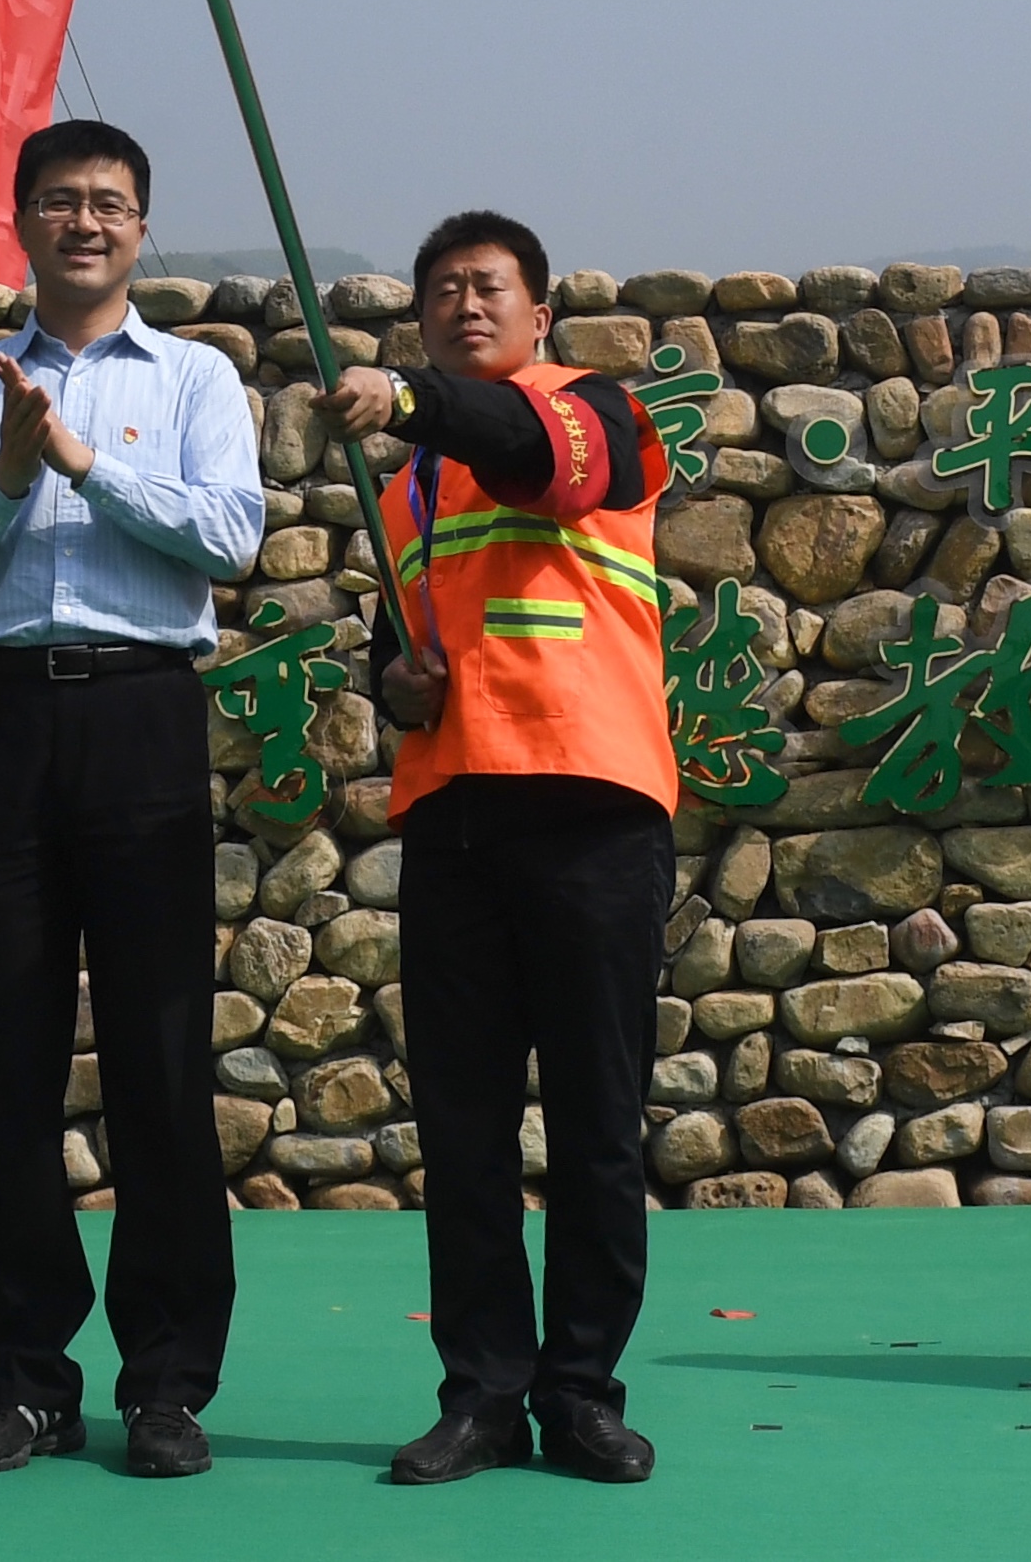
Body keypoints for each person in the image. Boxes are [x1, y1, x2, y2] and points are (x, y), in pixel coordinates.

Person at [0, 119, 264, 1478]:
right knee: (6, 1059)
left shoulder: (196, 376)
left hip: (143, 714)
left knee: (161, 1060)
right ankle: (24, 1381)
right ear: (23, 220)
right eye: (59, 199)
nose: (85, 221)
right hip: (7, 720)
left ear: (142, 225)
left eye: (108, 201)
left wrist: (85, 460)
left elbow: (231, 534)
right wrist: (6, 471)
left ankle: (166, 1382)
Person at [314, 209, 670, 1489]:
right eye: (443, 292)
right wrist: (395, 684)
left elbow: (537, 458)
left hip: (592, 803)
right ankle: (481, 1394)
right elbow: (402, 647)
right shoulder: (407, 484)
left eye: (489, 287)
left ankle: (581, 1393)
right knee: (464, 1130)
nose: (466, 305)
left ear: (541, 314)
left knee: (595, 1123)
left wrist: (410, 398)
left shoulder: (599, 412)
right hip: (457, 811)